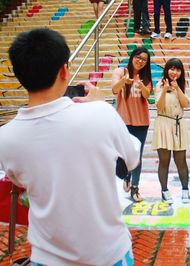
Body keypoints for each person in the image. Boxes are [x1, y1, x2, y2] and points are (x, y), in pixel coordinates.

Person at [0, 28, 140, 265]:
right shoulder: (100, 113)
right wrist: (101, 105)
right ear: (64, 70)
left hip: (48, 258)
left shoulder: (6, 138)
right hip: (110, 255)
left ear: (18, 73)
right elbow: (132, 156)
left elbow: (18, 179)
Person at [111, 46, 153, 202]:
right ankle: (126, 175)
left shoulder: (146, 77)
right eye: (138, 57)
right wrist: (124, 81)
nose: (140, 61)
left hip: (142, 122)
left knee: (137, 157)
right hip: (123, 122)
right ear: (132, 56)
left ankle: (135, 188)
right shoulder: (120, 72)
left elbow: (147, 95)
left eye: (144, 60)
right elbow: (114, 90)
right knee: (122, 155)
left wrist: (142, 85)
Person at [152, 58, 190, 204]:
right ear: (167, 70)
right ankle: (164, 190)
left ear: (181, 72)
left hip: (178, 125)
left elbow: (186, 104)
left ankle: (185, 190)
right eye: (171, 69)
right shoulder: (159, 84)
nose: (174, 72)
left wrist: (177, 88)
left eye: (177, 69)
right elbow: (159, 105)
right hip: (163, 124)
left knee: (181, 161)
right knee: (164, 161)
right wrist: (164, 90)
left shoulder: (180, 85)